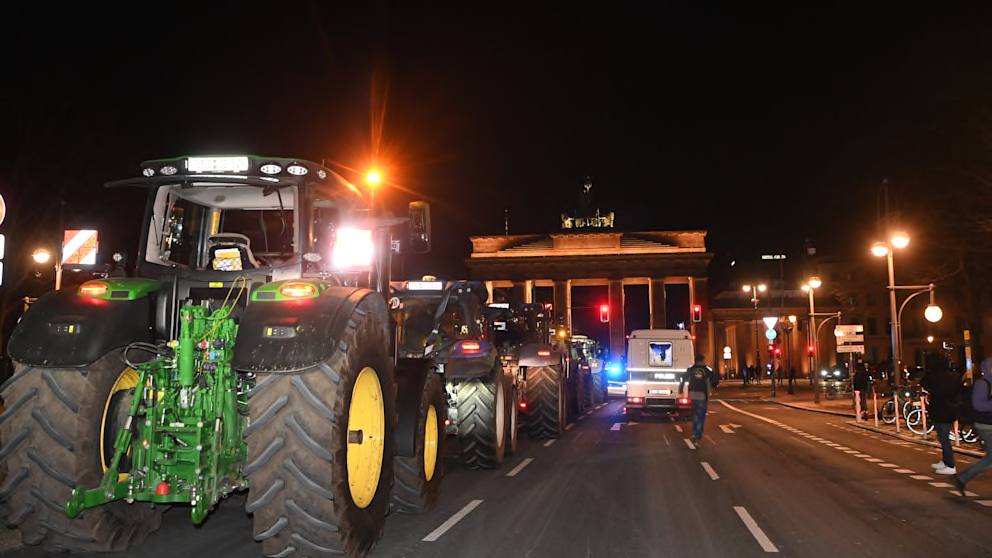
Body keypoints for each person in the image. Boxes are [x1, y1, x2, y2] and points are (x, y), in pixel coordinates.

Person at [955, 357, 992, 494]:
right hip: (986, 426)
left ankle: (962, 478)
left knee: (990, 459)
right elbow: (978, 404)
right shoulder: (983, 384)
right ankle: (962, 478)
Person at [920, 353, 961, 475]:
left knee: (944, 439)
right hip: (949, 410)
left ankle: (950, 465)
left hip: (940, 410)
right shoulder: (953, 376)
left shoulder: (935, 377)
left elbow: (924, 383)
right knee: (943, 437)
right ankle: (945, 461)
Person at [683, 354, 719, 445]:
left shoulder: (691, 369)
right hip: (702, 396)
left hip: (692, 396)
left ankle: (694, 434)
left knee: (695, 415)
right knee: (701, 417)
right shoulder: (706, 370)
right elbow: (715, 380)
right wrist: (714, 386)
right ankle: (697, 437)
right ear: (702, 360)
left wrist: (681, 388)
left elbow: (683, 377)